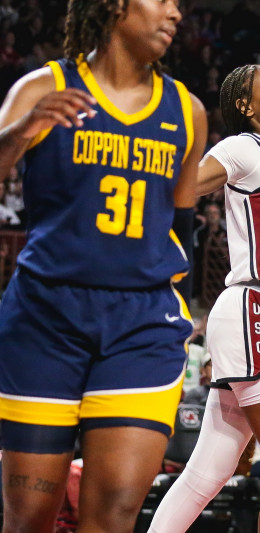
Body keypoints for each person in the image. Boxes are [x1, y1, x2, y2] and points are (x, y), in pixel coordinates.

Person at [0, 1, 207, 531]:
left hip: (142, 324)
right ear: (114, 5)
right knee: (28, 520)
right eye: (162, 0)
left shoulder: (187, 111)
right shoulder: (41, 88)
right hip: (45, 317)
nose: (175, 13)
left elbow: (181, 225)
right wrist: (22, 132)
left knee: (112, 519)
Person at [148, 65, 260, 533]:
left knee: (209, 472)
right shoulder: (243, 147)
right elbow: (183, 188)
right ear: (246, 106)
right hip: (255, 310)